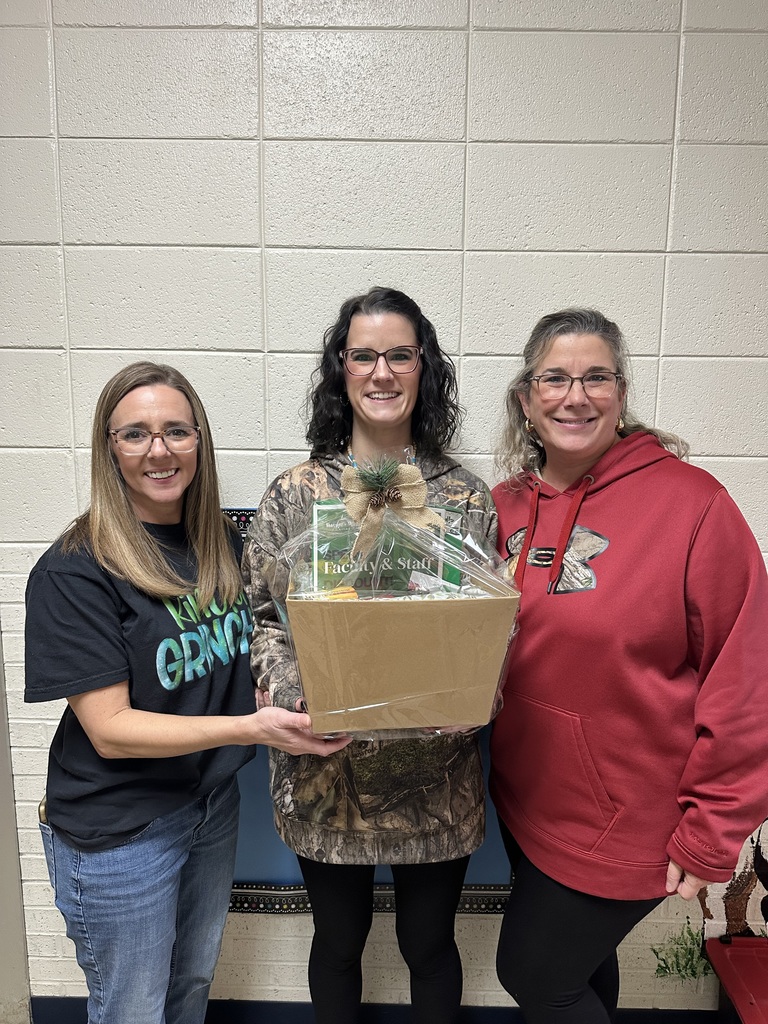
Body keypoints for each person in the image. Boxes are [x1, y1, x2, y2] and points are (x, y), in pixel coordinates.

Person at [24, 361, 349, 1024]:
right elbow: (111, 731)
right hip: (120, 832)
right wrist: (253, 729)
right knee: (133, 1010)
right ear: (108, 449)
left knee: (190, 984)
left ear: (199, 441)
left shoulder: (219, 544)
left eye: (177, 430)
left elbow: (245, 656)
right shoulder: (75, 569)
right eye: (136, 434)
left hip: (207, 805)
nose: (160, 450)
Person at [490, 308, 768, 1023]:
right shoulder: (505, 510)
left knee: (533, 974)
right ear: (527, 398)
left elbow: (747, 681)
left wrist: (715, 830)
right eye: (554, 377)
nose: (574, 395)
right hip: (529, 802)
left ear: (620, 392)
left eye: (596, 377)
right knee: (583, 969)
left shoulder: (693, 507)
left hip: (627, 818)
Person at [242, 287, 497, 1024]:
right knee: (339, 939)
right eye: (363, 355)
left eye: (399, 355)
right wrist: (299, 694)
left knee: (430, 943)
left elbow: (493, 629)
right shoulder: (294, 495)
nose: (381, 372)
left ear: (424, 368)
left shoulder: (466, 498)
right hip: (328, 772)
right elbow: (262, 621)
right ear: (341, 369)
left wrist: (474, 695)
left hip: (436, 775)